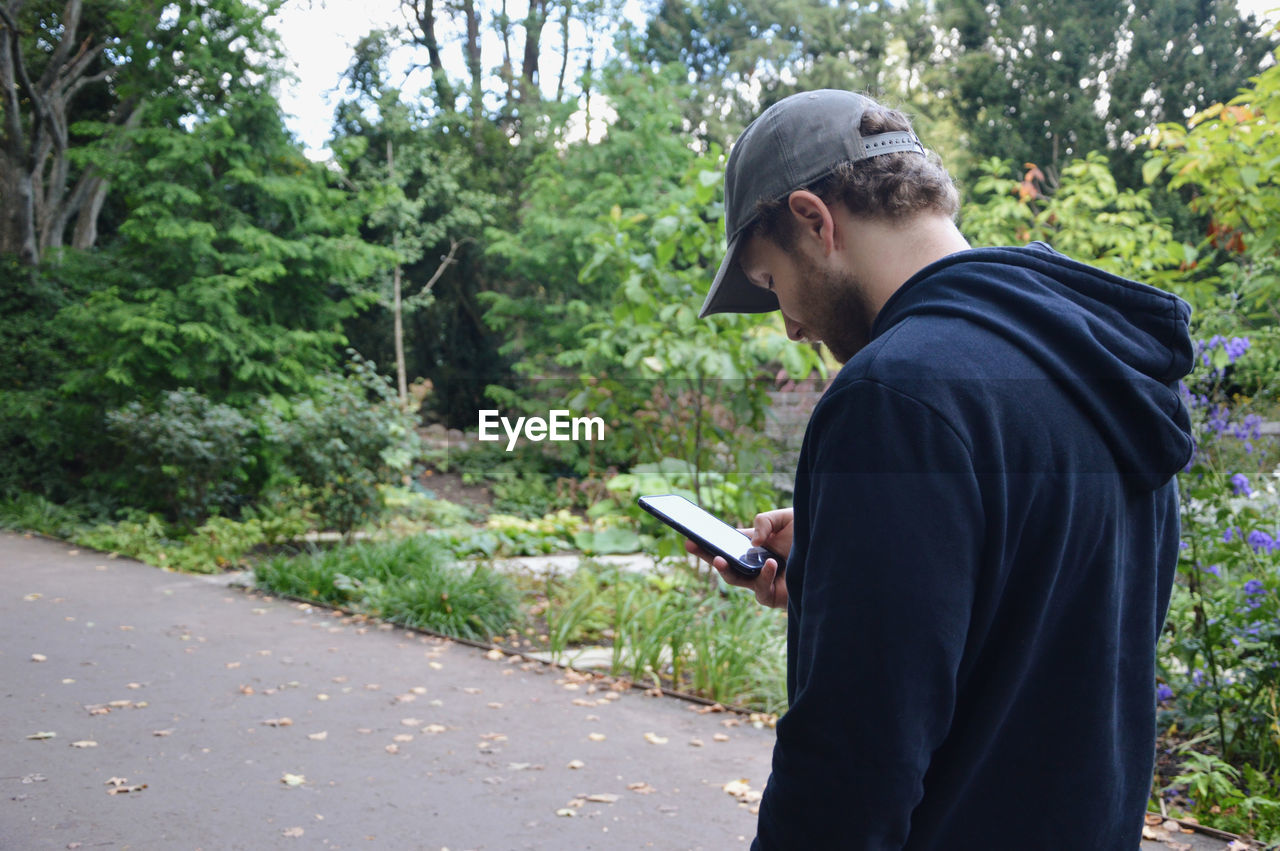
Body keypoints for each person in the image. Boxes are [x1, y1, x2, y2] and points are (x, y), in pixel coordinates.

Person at [683, 89, 1194, 849]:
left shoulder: (895, 395)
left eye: (768, 284)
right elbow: (1048, 620)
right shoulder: (1100, 362)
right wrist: (840, 564)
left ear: (815, 221)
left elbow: (853, 759)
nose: (789, 323)